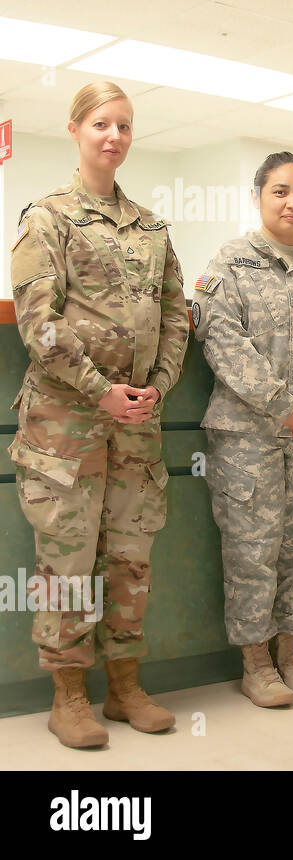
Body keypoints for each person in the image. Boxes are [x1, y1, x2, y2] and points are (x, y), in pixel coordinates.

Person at [8, 81, 188, 748]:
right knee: (68, 566)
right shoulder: (46, 217)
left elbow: (177, 317)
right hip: (67, 431)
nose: (113, 136)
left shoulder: (153, 229)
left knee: (130, 562)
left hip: (137, 430)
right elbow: (37, 323)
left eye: (124, 126)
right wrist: (98, 388)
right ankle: (68, 696)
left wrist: (158, 387)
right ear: (76, 130)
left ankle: (125, 687)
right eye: (101, 124)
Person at [194, 151, 293, 707]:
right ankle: (257, 663)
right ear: (259, 196)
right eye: (281, 191)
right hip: (249, 438)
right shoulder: (231, 264)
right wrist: (280, 404)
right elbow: (221, 341)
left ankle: (292, 653)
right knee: (252, 549)